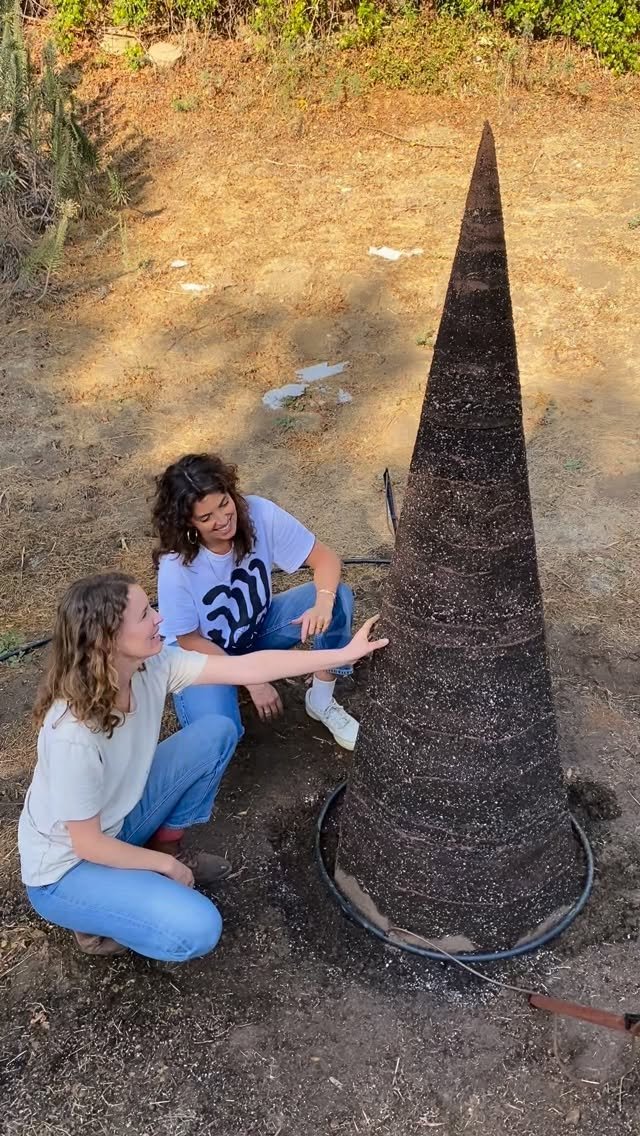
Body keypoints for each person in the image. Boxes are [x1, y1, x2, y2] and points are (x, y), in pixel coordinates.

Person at [18, 573, 387, 962]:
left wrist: (340, 655)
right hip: (68, 868)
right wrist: (164, 867)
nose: (159, 618)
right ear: (107, 640)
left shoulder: (151, 665)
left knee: (215, 732)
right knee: (198, 928)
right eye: (145, 615)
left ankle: (155, 857)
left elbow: (247, 668)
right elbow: (87, 844)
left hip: (116, 820)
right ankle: (97, 918)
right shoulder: (72, 735)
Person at [153, 453, 360, 751]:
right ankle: (225, 693)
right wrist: (252, 679)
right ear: (187, 522)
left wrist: (323, 604)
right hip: (201, 658)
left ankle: (321, 699)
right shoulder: (176, 565)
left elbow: (325, 559)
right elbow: (189, 641)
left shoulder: (259, 513)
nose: (222, 520)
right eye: (206, 518)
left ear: (231, 491)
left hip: (254, 630)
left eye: (224, 503)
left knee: (337, 595)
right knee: (219, 734)